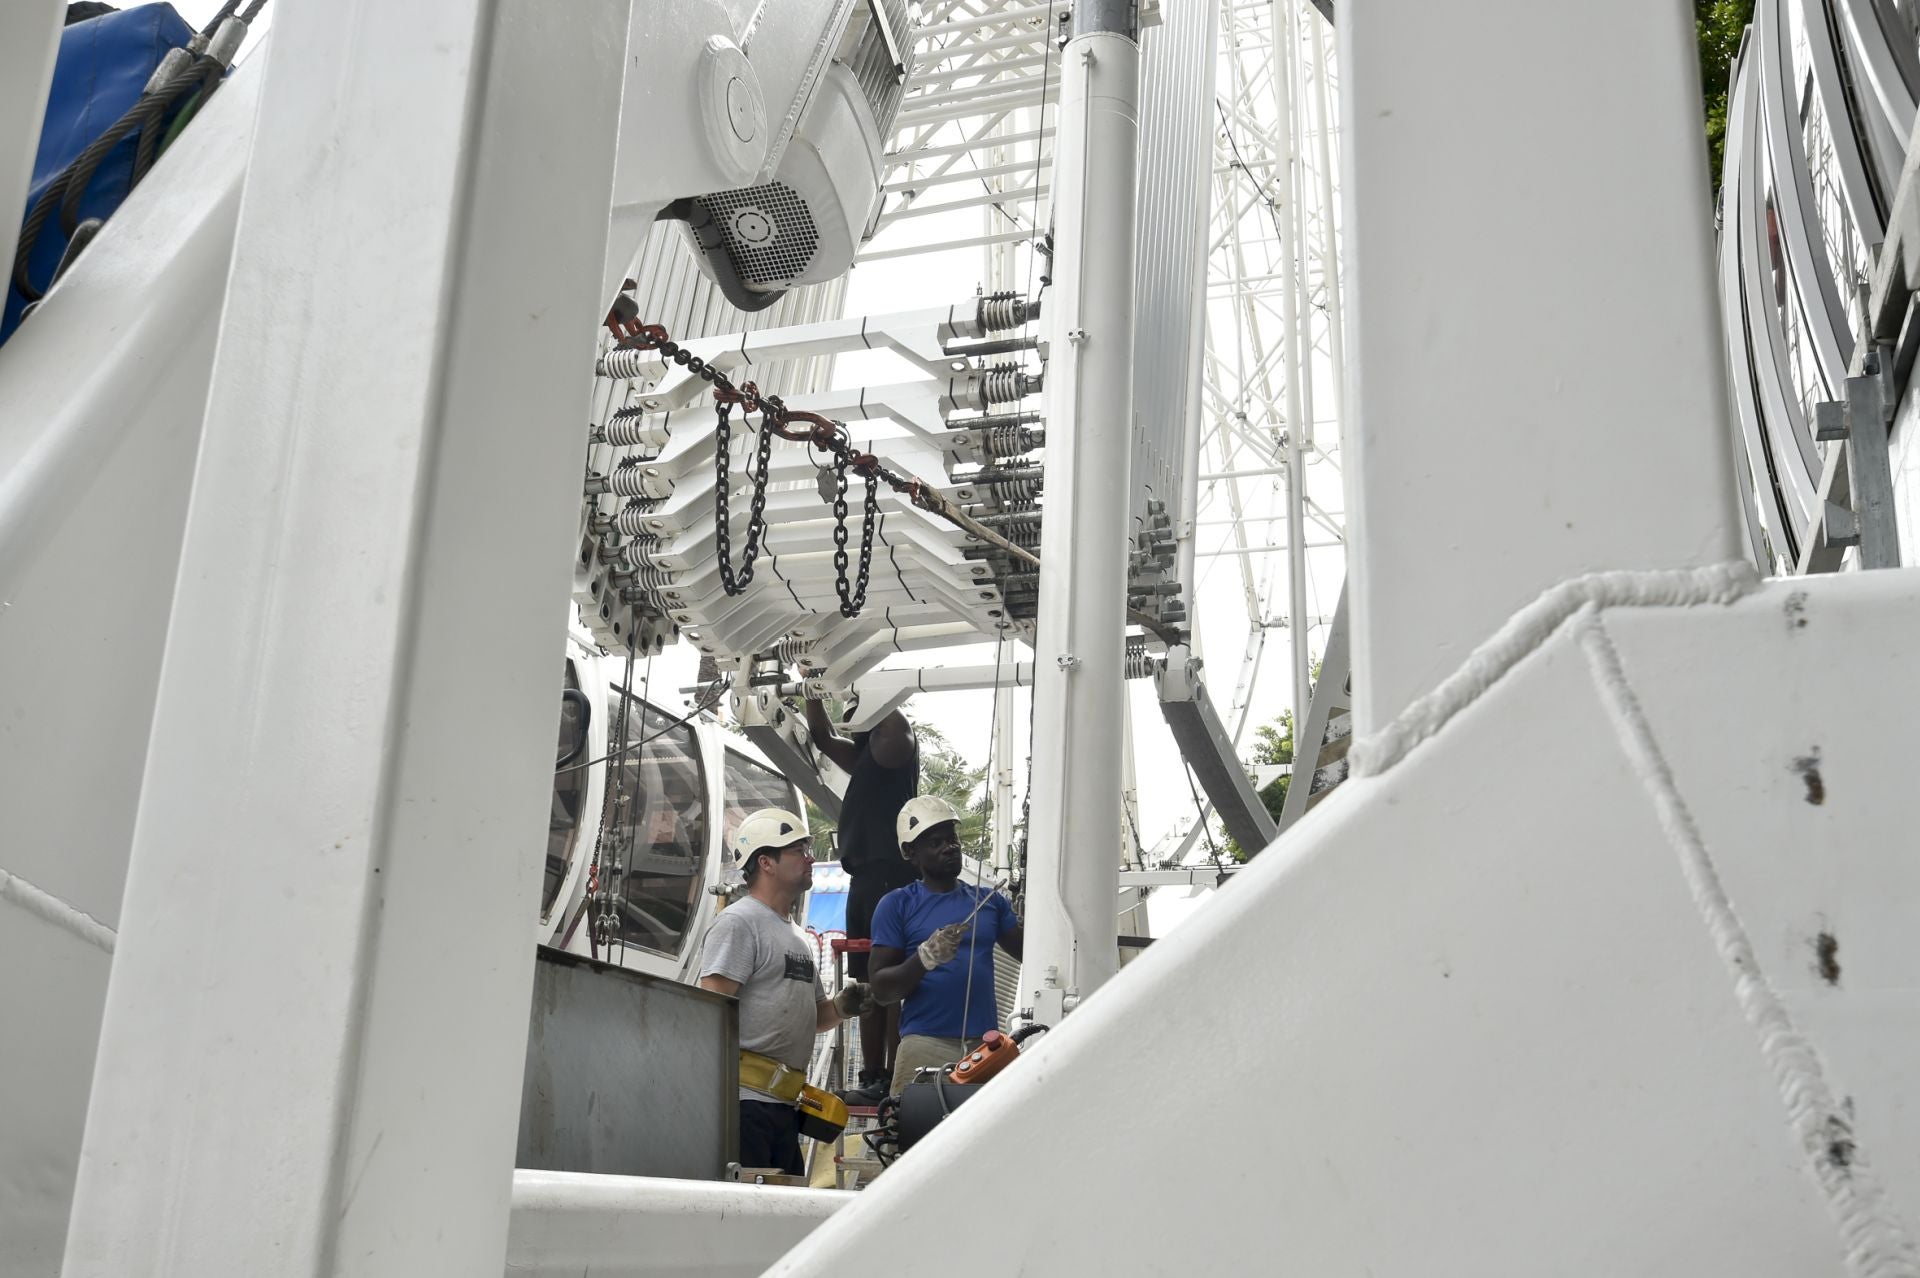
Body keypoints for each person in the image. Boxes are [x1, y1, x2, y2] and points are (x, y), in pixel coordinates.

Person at [699, 807, 875, 1175]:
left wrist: (842, 1007)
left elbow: (813, 1018)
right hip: (744, 1104)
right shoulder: (739, 923)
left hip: (783, 1104)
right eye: (799, 850)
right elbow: (709, 1011)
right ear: (766, 862)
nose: (810, 859)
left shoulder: (796, 935)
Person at [805, 695, 919, 1104]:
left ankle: (893, 1076)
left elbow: (892, 722)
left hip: (891, 875)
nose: (850, 713)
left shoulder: (897, 748)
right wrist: (813, 687)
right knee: (868, 982)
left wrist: (869, 689)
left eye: (860, 707)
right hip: (865, 879)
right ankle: (873, 1076)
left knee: (888, 982)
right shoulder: (866, 757)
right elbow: (820, 735)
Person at [868, 795, 1023, 1095]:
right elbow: (881, 989)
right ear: (911, 853)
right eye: (936, 843)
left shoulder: (990, 902)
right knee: (914, 1139)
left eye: (951, 838)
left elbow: (1031, 950)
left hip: (984, 1046)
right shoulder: (897, 905)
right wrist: (924, 958)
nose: (950, 847)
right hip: (924, 1045)